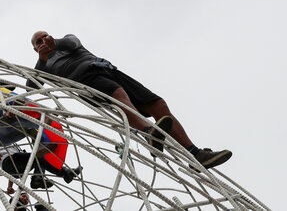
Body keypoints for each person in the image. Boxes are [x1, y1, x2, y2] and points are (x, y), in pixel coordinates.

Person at [29, 31, 231, 170]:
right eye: (38, 42)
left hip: (106, 69)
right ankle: (147, 132)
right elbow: (31, 86)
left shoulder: (67, 40)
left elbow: (72, 42)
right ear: (35, 49)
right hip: (85, 80)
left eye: (45, 36)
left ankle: (195, 154)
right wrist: (42, 60)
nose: (43, 41)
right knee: (118, 96)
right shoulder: (45, 66)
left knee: (158, 104)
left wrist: (55, 42)